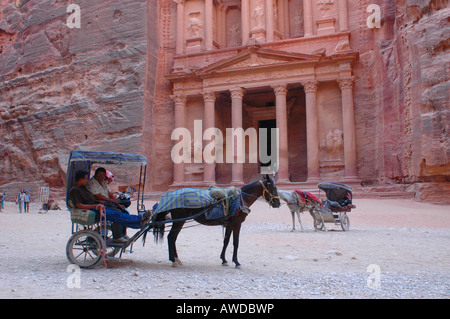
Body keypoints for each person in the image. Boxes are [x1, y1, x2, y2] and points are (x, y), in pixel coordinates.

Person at [69, 170, 149, 242]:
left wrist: (98, 202)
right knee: (116, 215)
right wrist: (96, 206)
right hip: (94, 210)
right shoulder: (75, 190)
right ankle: (140, 219)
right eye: (86, 179)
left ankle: (139, 222)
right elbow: (79, 205)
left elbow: (89, 199)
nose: (87, 180)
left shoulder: (83, 188)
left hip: (98, 207)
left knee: (119, 214)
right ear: (81, 179)